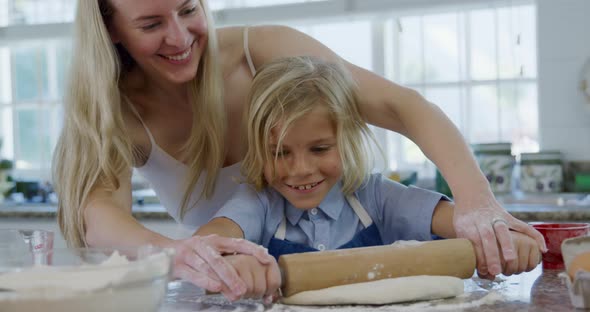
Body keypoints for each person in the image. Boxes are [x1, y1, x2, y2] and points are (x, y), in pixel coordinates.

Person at [52, 0, 545, 302]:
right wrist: (188, 254)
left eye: (188, 9)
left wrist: (478, 206)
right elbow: (99, 217)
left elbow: (402, 106)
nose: (180, 38)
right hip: (245, 282)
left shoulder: (263, 51)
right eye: (150, 24)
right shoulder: (111, 107)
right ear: (110, 27)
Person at [195, 56, 542, 300]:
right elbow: (210, 242)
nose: (299, 169)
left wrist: (504, 241)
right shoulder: (260, 205)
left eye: (319, 149)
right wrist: (231, 260)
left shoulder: (376, 198)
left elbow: (465, 224)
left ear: (348, 140)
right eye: (280, 152)